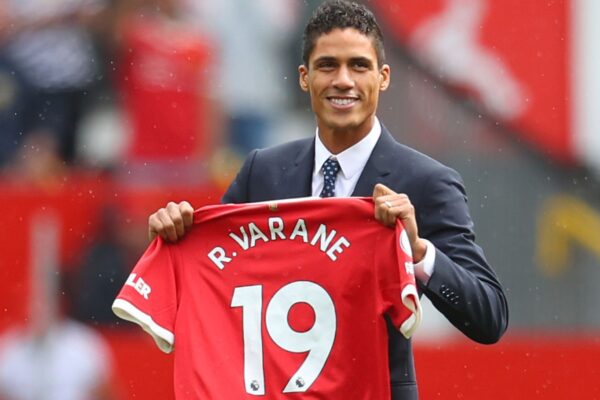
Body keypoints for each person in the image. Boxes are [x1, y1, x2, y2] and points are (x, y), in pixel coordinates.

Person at [146, 1, 509, 399]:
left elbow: (489, 317)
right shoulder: (262, 172)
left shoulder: (426, 182)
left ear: (383, 77)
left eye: (359, 65)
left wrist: (418, 251)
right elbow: (211, 273)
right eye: (327, 65)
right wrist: (176, 235)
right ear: (305, 77)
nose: (343, 80)